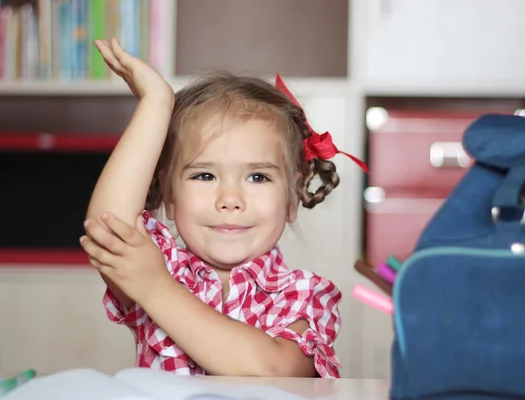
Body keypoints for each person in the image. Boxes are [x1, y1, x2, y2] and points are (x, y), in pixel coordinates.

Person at [79, 38, 368, 378]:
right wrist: (156, 103)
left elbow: (273, 370)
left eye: (258, 177)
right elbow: (106, 230)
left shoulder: (304, 296)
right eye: (205, 175)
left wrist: (156, 289)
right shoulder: (157, 263)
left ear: (292, 198)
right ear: (170, 196)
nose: (230, 199)